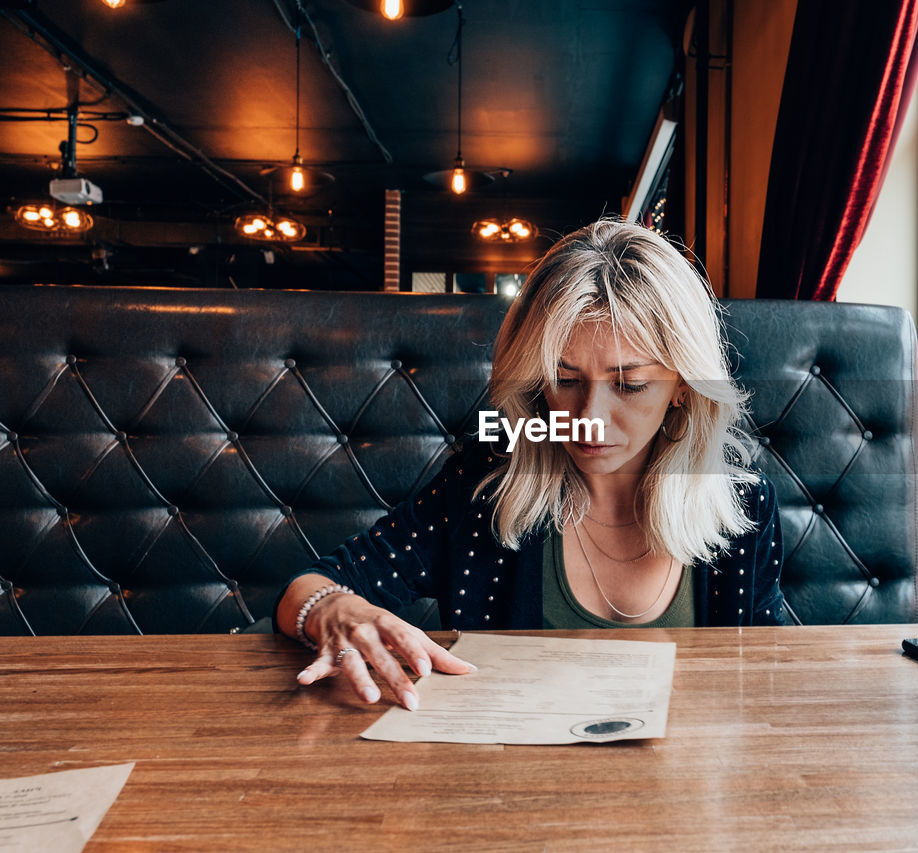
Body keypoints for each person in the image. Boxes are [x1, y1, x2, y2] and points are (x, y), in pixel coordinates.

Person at [274, 219, 790, 710]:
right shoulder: (486, 483)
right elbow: (314, 583)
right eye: (564, 379)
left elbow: (765, 675)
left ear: (683, 386)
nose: (590, 418)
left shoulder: (743, 506)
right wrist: (334, 609)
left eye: (629, 385)